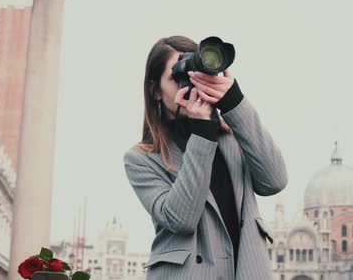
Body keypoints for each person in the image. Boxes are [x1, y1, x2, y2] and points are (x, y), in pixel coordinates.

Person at [123, 35, 288, 279]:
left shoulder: (234, 137)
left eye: (195, 75)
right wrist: (202, 132)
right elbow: (181, 220)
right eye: (177, 77)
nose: (189, 85)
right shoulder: (142, 158)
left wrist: (234, 102)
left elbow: (274, 181)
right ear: (155, 90)